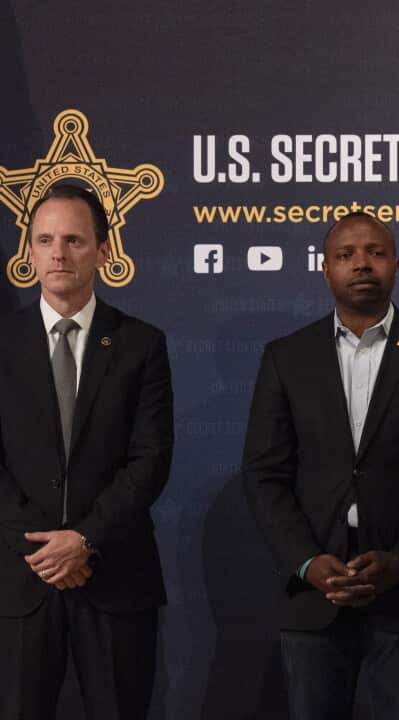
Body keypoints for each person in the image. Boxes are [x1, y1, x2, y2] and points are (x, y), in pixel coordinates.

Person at [242, 212, 399, 719]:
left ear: (396, 266)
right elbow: (265, 475)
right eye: (345, 254)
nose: (361, 263)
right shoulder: (286, 357)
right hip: (313, 595)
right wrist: (307, 562)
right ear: (325, 269)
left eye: (374, 252)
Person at [0, 184, 174, 719]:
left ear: (103, 250)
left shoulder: (141, 343)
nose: (59, 253)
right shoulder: (1, 341)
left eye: (74, 240)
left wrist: (84, 538)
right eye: (46, 239)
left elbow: (150, 459)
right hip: (21, 580)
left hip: (116, 576)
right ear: (28, 252)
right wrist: (47, 548)